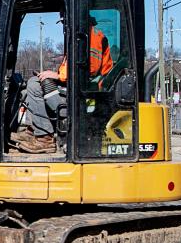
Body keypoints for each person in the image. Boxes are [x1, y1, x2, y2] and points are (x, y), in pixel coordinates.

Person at [12, 19, 114, 154]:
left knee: (35, 86)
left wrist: (59, 76)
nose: (64, 25)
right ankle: (34, 130)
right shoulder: (80, 36)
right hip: (80, 86)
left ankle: (44, 138)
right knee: (34, 83)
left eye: (64, 21)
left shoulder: (90, 36)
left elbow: (90, 68)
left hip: (88, 94)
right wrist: (55, 75)